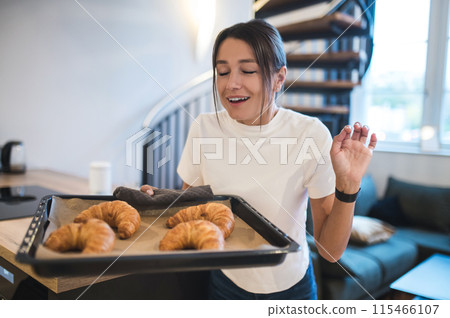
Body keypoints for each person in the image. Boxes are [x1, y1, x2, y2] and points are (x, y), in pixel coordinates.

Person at [141, 19, 377, 300]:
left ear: (279, 78)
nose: (232, 84)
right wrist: (157, 205)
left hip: (292, 290)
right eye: (223, 71)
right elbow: (192, 211)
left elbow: (330, 251)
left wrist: (348, 184)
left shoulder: (309, 134)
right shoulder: (204, 128)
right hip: (225, 284)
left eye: (248, 70)